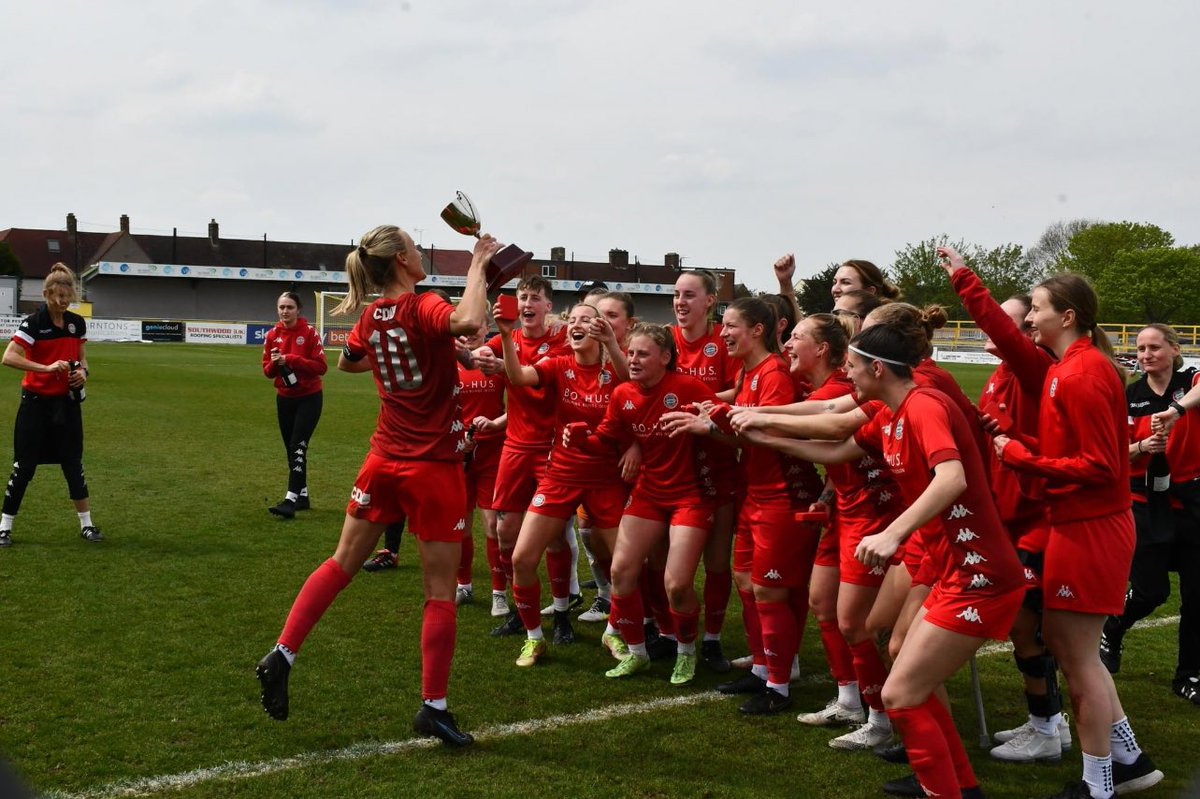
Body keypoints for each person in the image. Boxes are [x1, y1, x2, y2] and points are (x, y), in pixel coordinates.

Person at [740, 316, 1025, 799]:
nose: (845, 375)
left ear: (877, 369)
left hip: (980, 573)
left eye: (851, 365)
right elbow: (838, 449)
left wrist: (893, 533)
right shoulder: (889, 413)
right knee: (903, 671)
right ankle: (960, 787)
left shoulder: (924, 405)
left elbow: (951, 479)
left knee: (900, 694)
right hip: (954, 570)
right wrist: (766, 436)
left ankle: (945, 788)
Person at [254, 225, 498, 747]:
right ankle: (433, 707)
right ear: (403, 259)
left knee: (341, 563)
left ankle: (283, 653)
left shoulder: (371, 315)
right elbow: (470, 319)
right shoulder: (423, 305)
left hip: (383, 458)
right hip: (432, 467)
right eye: (415, 244)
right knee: (439, 593)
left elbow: (349, 361)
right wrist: (478, 262)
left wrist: (444, 355)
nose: (421, 251)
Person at [995, 274, 1163, 798]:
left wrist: (1020, 456)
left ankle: (1100, 785)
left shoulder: (1083, 371)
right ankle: (1129, 761)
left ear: (1067, 317)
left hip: (1092, 528)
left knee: (1079, 659)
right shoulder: (1067, 368)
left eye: (1037, 308)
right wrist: (1012, 437)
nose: (1028, 318)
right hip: (1075, 524)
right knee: (1073, 652)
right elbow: (1072, 448)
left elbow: (1098, 465)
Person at [938, 246, 1073, 764]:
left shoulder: (1037, 367)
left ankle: (1050, 727)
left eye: (1023, 322)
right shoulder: (999, 377)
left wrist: (963, 278)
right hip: (1007, 516)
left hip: (1035, 518)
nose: (1015, 332)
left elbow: (997, 325)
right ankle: (1048, 723)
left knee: (1031, 626)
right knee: (1027, 627)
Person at [669, 297, 824, 714]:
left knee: (771, 590)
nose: (724, 333)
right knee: (748, 582)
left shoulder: (774, 373)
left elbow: (766, 429)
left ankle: (779, 685)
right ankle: (763, 668)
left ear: (757, 330)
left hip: (783, 495)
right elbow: (742, 432)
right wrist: (708, 419)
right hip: (755, 492)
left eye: (732, 325)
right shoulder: (748, 371)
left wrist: (713, 418)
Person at [569, 323, 719, 684]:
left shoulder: (688, 389)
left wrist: (709, 427)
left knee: (677, 585)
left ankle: (686, 652)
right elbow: (607, 437)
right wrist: (579, 438)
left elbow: (723, 427)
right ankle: (637, 653)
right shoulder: (622, 393)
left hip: (690, 497)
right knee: (621, 572)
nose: (633, 360)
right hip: (649, 494)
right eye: (631, 353)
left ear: (665, 358)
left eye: (642, 354)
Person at [785, 314, 901, 752]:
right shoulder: (826, 387)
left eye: (796, 337)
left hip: (874, 514)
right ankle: (850, 699)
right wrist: (831, 492)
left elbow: (833, 427)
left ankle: (879, 714)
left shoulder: (842, 390)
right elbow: (836, 451)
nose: (788, 344)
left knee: (856, 621)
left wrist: (748, 421)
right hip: (845, 512)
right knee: (824, 604)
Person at [497, 301, 627, 666]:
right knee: (522, 557)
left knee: (624, 566)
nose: (576, 324)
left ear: (601, 329)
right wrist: (507, 336)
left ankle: (615, 632)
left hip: (606, 477)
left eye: (586, 319)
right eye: (572, 319)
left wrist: (613, 345)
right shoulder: (558, 365)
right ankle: (533, 637)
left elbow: (633, 385)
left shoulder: (615, 365)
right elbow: (519, 377)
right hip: (562, 473)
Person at [1101, 324, 1200, 707]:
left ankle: (1188, 674)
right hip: (1144, 500)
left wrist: (1176, 411)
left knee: (1196, 593)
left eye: (1154, 347)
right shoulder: (1131, 396)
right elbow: (1114, 456)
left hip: (1190, 498)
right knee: (1151, 590)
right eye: (1140, 348)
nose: (1146, 355)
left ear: (1175, 349)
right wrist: (1143, 445)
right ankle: (1114, 626)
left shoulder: (1190, 379)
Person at [472, 276, 571, 637]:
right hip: (514, 447)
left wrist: (499, 365)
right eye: (523, 297)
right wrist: (467, 351)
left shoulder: (560, 341)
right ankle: (521, 608)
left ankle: (561, 614)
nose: (528, 304)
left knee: (555, 536)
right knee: (505, 532)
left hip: (551, 449)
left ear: (548, 306)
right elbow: (476, 355)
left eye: (536, 298)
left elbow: (530, 378)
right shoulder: (504, 339)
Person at [0, 263, 102, 546]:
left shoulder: (76, 323)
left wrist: (82, 373)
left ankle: (87, 525)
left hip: (67, 405)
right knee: (24, 466)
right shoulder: (33, 323)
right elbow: (8, 357)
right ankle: (4, 527)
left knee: (73, 463)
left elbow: (82, 359)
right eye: (58, 297)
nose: (63, 303)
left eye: (67, 298)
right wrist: (45, 368)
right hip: (35, 406)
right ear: (46, 294)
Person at [670, 270, 740, 671]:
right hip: (672, 462)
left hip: (716, 456)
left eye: (690, 295)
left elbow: (740, 391)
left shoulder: (723, 343)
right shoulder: (666, 339)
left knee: (716, 560)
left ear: (710, 301)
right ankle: (667, 631)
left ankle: (711, 639)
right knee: (664, 563)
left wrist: (699, 403)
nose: (681, 302)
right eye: (677, 295)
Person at [262, 292, 328, 519]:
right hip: (284, 398)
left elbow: (321, 367)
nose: (284, 311)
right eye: (281, 307)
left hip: (309, 398)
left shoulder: (309, 333)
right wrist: (274, 363)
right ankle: (303, 496)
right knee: (291, 449)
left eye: (289, 307)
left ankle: (290, 500)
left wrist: (291, 359)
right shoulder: (272, 335)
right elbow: (267, 372)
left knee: (298, 446)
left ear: (298, 309)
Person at [456, 321, 507, 608]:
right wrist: (458, 435)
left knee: (492, 525)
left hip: (493, 452)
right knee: (460, 523)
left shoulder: (494, 364)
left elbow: (519, 404)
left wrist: (495, 425)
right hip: (459, 452)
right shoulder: (450, 364)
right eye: (464, 327)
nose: (470, 332)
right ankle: (464, 586)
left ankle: (499, 593)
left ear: (486, 326)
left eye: (476, 326)